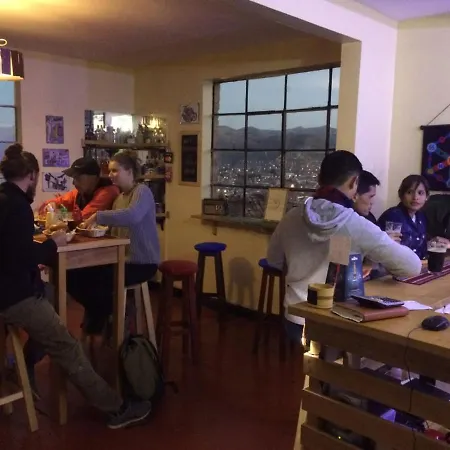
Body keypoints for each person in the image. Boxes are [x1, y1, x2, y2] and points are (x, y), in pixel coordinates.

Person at [0, 144, 151, 429]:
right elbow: (25, 257)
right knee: (67, 346)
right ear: (31, 176)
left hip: (9, 289)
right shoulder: (18, 207)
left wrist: (45, 245)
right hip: (15, 295)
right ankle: (117, 408)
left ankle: (24, 366)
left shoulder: (4, 199)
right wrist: (52, 244)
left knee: (58, 297)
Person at [267, 151, 422, 343]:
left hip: (294, 318)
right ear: (354, 182)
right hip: (337, 320)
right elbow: (412, 266)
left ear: (319, 178)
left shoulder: (291, 216)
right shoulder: (356, 224)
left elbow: (274, 260)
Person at [67, 150, 160, 334]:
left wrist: (98, 216)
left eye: (115, 170)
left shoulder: (142, 191)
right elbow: (113, 229)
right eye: (109, 171)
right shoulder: (119, 198)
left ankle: (107, 316)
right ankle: (109, 311)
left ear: (129, 171)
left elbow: (132, 216)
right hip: (121, 259)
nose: (110, 175)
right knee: (73, 275)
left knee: (95, 280)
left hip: (142, 262)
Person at [38, 157, 119, 220]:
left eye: (78, 178)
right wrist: (52, 205)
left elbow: (85, 217)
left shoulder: (108, 192)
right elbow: (52, 203)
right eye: (74, 178)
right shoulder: (78, 193)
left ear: (94, 177)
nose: (74, 183)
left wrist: (59, 215)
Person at [378, 175, 429, 260]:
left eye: (420, 193)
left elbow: (422, 248)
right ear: (401, 195)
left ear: (426, 197)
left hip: (418, 264)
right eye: (409, 192)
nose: (415, 197)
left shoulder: (421, 217)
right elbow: (389, 251)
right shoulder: (393, 216)